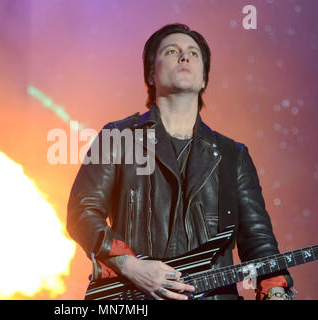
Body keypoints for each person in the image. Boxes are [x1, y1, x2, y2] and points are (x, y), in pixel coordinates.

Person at [67, 23, 294, 300]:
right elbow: (82, 212)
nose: (184, 57)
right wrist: (132, 266)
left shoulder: (233, 155)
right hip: (132, 299)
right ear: (151, 75)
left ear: (204, 80)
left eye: (193, 53)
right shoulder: (118, 136)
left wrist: (277, 291)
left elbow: (258, 241)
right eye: (172, 51)